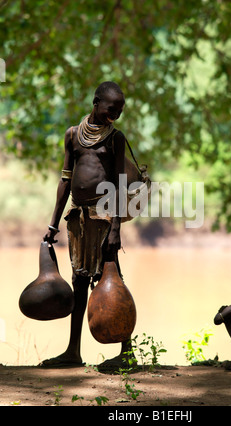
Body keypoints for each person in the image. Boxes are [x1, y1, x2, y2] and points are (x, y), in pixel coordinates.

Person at [40, 81, 133, 369]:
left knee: (112, 278)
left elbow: (119, 184)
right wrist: (53, 225)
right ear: (95, 103)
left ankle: (126, 352)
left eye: (119, 111)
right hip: (78, 219)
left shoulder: (115, 139)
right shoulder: (72, 135)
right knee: (79, 282)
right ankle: (73, 351)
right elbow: (66, 179)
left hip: (104, 217)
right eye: (110, 109)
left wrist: (116, 228)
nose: (114, 115)